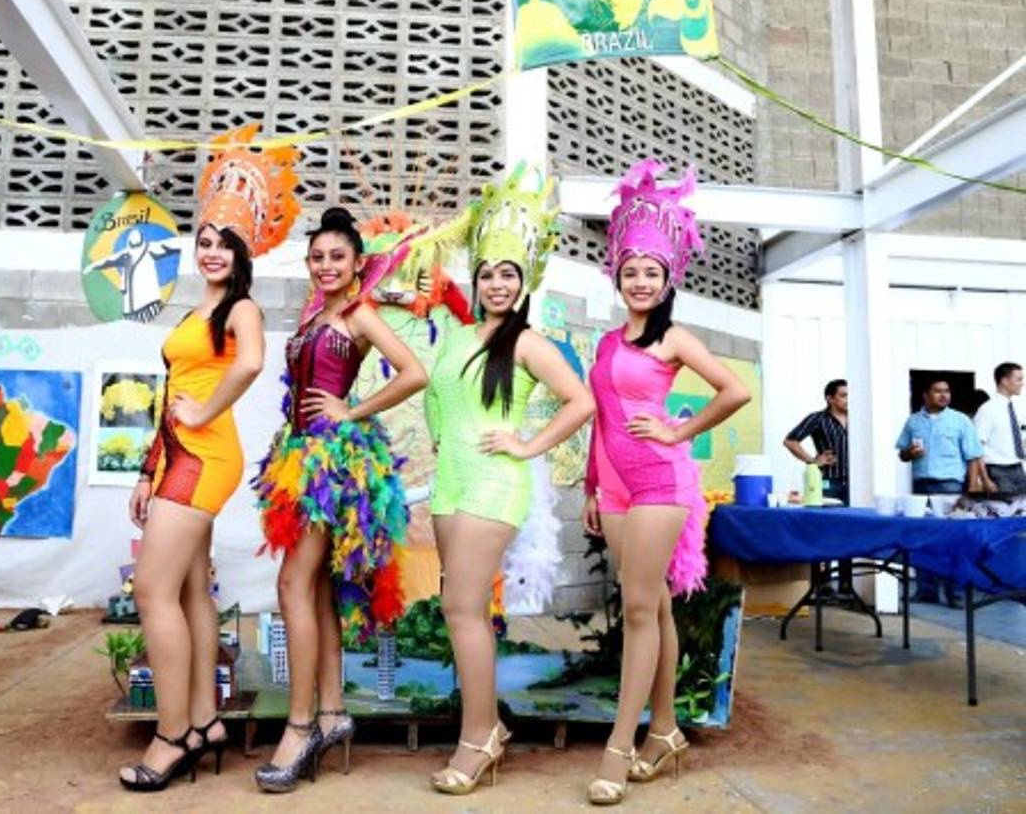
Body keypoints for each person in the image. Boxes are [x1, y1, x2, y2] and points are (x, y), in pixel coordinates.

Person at [119, 124, 295, 792]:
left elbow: (249, 363)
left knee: (150, 589)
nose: (212, 250)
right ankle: (202, 722)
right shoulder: (200, 308)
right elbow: (171, 392)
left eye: (224, 243)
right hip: (174, 458)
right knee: (189, 588)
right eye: (205, 240)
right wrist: (145, 467)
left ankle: (170, 737)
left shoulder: (242, 308)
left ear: (242, 251)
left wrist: (207, 409)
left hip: (204, 458)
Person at [583, 161, 750, 806]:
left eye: (651, 273)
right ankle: (668, 730)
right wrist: (592, 488)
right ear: (618, 278)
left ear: (667, 278)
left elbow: (735, 390)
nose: (641, 282)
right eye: (631, 272)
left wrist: (681, 433)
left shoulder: (673, 338)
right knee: (651, 606)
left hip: (659, 484)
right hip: (617, 490)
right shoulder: (604, 345)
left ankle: (619, 748)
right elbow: (599, 421)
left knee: (640, 610)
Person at [424, 167, 595, 795]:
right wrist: (442, 436)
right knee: (460, 610)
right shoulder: (458, 337)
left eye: (508, 275)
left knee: (462, 609)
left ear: (525, 283)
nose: (497, 284)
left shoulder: (528, 343)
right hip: (450, 484)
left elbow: (580, 402)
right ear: (477, 281)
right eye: (489, 274)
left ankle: (480, 739)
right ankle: (483, 725)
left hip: (494, 485)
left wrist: (526, 445)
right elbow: (436, 395)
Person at [253, 207, 427, 793]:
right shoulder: (316, 313)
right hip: (300, 455)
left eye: (337, 257)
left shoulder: (358, 313)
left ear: (356, 265)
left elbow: (413, 372)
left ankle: (300, 727)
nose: (326, 266)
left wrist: (349, 410)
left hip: (331, 460)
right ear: (310, 264)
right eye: (318, 257)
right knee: (317, 588)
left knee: (291, 587)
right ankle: (330, 713)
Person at [895, 378, 984, 604]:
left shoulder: (960, 420)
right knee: (922, 537)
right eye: (937, 391)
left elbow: (973, 455)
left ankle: (954, 593)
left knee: (950, 539)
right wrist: (909, 454)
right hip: (921, 485)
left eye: (946, 391)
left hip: (950, 486)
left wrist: (973, 485)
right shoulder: (914, 421)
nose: (943, 395)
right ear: (925, 395)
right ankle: (926, 591)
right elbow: (902, 453)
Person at [784, 379, 849, 504]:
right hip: (829, 482)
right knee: (829, 519)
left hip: (857, 483)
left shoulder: (858, 417)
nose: (848, 399)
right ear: (830, 399)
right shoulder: (818, 419)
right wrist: (812, 461)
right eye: (843, 395)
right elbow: (790, 441)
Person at [974, 362, 1026, 497]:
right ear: (1004, 381)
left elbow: (1018, 439)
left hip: (1018, 468)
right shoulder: (987, 410)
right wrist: (984, 479)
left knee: (1021, 512)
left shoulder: (1016, 409)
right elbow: (976, 447)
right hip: (997, 470)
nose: (1022, 383)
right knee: (1004, 513)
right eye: (1019, 379)